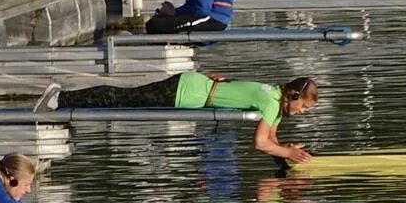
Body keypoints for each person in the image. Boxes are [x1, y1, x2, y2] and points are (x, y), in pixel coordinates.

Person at [46, 73, 318, 162]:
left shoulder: (273, 96)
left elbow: (271, 137)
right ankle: (61, 99)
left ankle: (63, 99)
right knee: (122, 98)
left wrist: (286, 149)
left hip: (192, 85)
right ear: (293, 96)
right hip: (184, 92)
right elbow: (260, 143)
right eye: (303, 107)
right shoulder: (270, 103)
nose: (302, 113)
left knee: (123, 98)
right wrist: (288, 154)